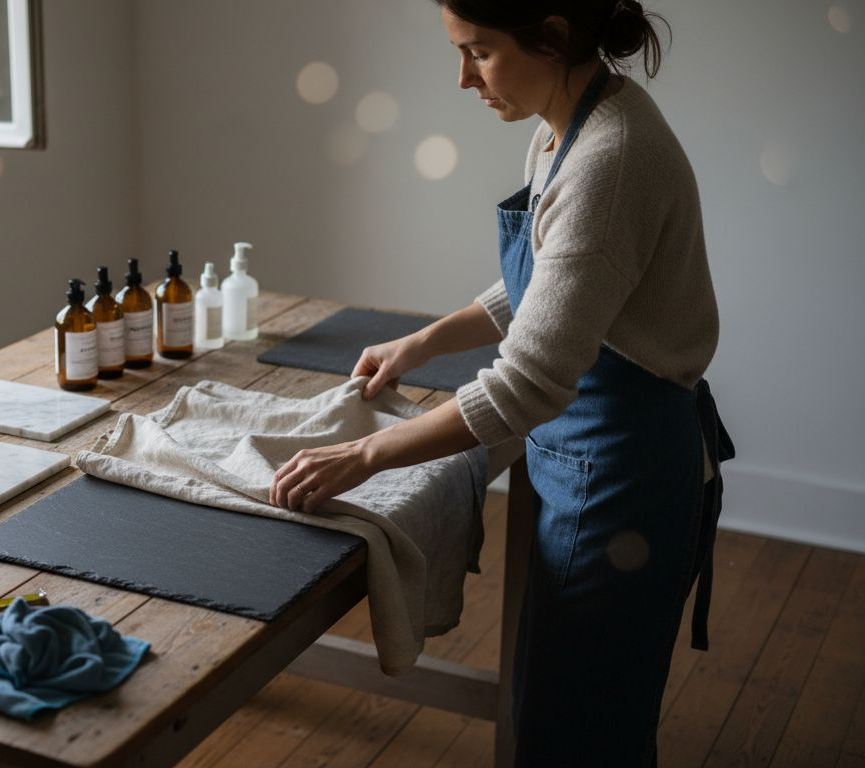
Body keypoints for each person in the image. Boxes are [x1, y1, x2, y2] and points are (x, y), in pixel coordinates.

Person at [268, 1, 735, 764]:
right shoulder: (563, 126)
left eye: (478, 52)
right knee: (564, 700)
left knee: (578, 726)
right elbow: (554, 282)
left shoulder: (611, 158)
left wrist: (360, 459)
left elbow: (526, 385)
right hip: (583, 453)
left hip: (620, 473)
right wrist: (421, 343)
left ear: (551, 35)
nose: (462, 78)